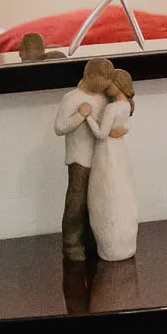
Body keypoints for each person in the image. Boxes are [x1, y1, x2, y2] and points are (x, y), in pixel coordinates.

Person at [53, 58, 116, 261]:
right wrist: (80, 115)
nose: (105, 85)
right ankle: (72, 243)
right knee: (77, 200)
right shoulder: (71, 98)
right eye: (101, 80)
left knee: (97, 199)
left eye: (107, 81)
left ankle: (92, 240)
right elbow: (59, 128)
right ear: (89, 76)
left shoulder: (104, 98)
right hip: (79, 158)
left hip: (100, 157)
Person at [86, 68, 138, 261]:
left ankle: (111, 245)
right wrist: (122, 129)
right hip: (119, 151)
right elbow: (122, 126)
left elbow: (100, 134)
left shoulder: (112, 108)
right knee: (122, 191)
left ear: (119, 85)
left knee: (106, 193)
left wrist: (88, 116)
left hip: (107, 152)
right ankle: (124, 242)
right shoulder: (126, 107)